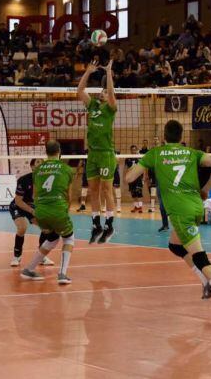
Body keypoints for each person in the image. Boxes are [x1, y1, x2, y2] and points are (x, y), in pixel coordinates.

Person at [125, 120, 211, 325]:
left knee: (200, 256)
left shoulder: (155, 154)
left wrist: (138, 162)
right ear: (181, 136)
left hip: (180, 211)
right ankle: (206, 283)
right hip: (195, 205)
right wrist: (206, 189)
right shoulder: (191, 153)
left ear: (164, 136)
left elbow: (129, 178)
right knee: (175, 246)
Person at [20, 140, 76, 285]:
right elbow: (69, 196)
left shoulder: (37, 169)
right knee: (69, 238)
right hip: (57, 209)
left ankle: (29, 269)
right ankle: (63, 274)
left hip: (40, 211)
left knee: (52, 239)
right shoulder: (67, 169)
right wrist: (65, 211)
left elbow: (34, 195)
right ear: (59, 151)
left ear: (46, 152)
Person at [78, 59, 117, 244]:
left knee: (106, 189)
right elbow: (79, 91)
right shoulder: (92, 105)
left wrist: (108, 73)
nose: (104, 93)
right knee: (93, 190)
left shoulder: (111, 109)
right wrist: (88, 72)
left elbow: (111, 93)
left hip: (106, 154)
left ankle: (109, 224)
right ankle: (96, 224)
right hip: (92, 154)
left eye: (106, 92)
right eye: (102, 91)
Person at [9, 159, 54, 267]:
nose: (41, 165)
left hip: (34, 206)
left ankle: (41, 256)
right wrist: (32, 211)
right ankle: (16, 256)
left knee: (47, 228)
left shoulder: (47, 180)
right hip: (19, 205)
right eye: (38, 162)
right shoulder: (24, 180)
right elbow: (18, 201)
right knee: (22, 228)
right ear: (32, 167)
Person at [126, 145, 144, 213]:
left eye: (134, 150)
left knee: (139, 192)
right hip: (131, 178)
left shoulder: (139, 158)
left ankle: (140, 207)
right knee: (133, 193)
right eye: (132, 150)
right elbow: (126, 168)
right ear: (130, 150)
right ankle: (136, 207)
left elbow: (143, 168)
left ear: (136, 150)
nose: (133, 151)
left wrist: (143, 178)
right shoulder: (127, 158)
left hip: (138, 177)